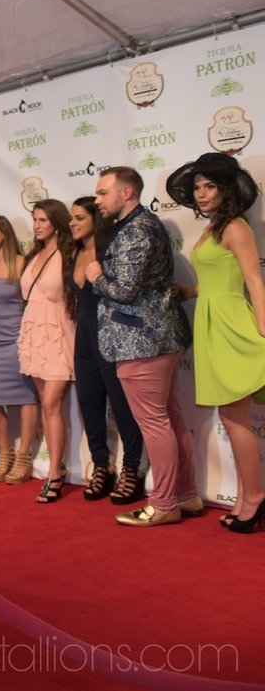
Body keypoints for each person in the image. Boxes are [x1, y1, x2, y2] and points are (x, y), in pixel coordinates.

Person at [87, 167, 200, 527]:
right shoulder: (136, 226)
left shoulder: (137, 229)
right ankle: (186, 495)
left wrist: (95, 276)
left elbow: (124, 291)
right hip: (154, 338)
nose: (97, 200)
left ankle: (164, 503)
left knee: (154, 422)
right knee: (169, 417)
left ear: (127, 192)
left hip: (142, 341)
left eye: (103, 192)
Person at [168, 153, 265, 534]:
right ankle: (245, 498)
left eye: (210, 186)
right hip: (212, 323)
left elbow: (253, 281)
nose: (202, 193)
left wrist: (263, 328)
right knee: (231, 417)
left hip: (231, 325)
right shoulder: (213, 227)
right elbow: (215, 279)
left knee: (234, 418)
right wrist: (190, 291)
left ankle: (254, 498)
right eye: (197, 187)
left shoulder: (236, 227)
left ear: (226, 190)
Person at [67, 196, 145, 504]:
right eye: (71, 218)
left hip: (112, 336)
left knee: (122, 407)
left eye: (79, 218)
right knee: (89, 404)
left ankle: (132, 469)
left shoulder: (111, 250)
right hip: (84, 337)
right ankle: (101, 465)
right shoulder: (74, 252)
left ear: (95, 220)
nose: (72, 223)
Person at [17, 200, 76, 503]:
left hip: (58, 331)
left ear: (56, 221)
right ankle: (57, 467)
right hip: (33, 332)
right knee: (47, 404)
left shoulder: (68, 253)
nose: (37, 225)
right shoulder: (33, 254)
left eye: (43, 220)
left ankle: (54, 472)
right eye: (35, 219)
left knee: (52, 402)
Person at [0, 215, 38, 484]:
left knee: (26, 399)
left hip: (15, 340)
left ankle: (23, 457)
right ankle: (5, 454)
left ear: (4, 233)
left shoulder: (22, 263)